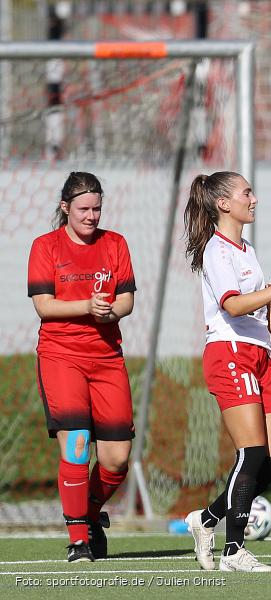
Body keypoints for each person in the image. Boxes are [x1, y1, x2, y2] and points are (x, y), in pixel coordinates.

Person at [182, 171, 271, 572]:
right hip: (230, 352)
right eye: (246, 193)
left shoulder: (247, 247)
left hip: (260, 356)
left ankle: (205, 520)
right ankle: (234, 550)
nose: (254, 199)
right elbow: (234, 306)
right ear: (224, 203)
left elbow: (263, 305)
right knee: (251, 452)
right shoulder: (214, 250)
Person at [27, 172, 136, 562]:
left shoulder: (116, 243)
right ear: (65, 208)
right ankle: (79, 540)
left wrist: (110, 312)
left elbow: (126, 300)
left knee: (116, 459)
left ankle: (90, 512)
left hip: (107, 358)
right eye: (83, 209)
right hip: (61, 357)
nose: (91, 216)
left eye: (97, 209)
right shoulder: (45, 246)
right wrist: (87, 307)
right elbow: (44, 306)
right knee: (75, 446)